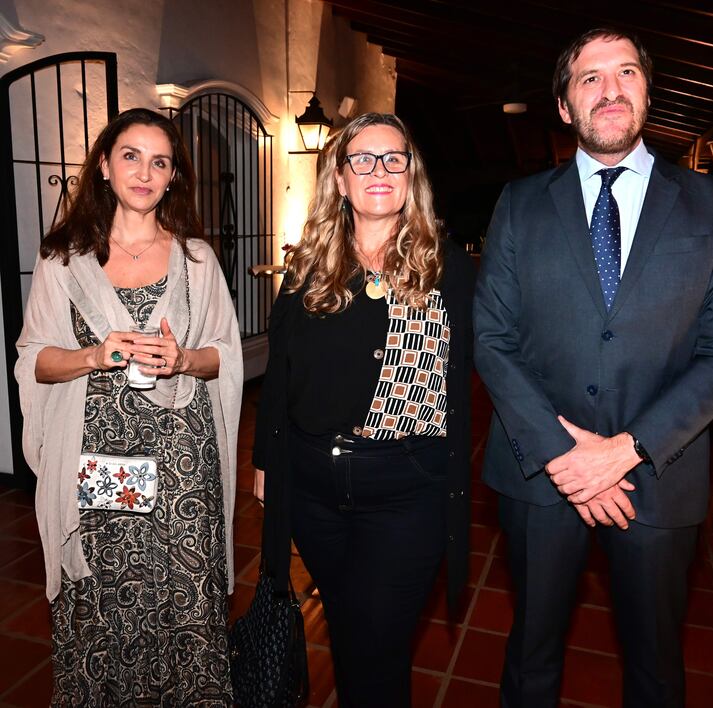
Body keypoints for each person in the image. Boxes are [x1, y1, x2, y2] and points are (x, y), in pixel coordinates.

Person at [474, 28, 713, 708]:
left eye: (626, 73)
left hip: (660, 473)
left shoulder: (711, 207)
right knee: (531, 657)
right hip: (544, 472)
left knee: (656, 669)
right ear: (566, 107)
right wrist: (568, 453)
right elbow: (491, 336)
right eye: (590, 78)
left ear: (647, 92)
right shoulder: (520, 204)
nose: (611, 89)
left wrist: (626, 450)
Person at [15, 108, 243, 705]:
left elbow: (228, 355)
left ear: (172, 178)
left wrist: (183, 359)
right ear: (104, 165)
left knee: (185, 599)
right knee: (110, 602)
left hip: (182, 466)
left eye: (160, 161)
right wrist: (93, 356)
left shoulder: (197, 260)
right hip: (101, 463)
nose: (145, 171)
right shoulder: (63, 260)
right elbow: (34, 358)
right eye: (131, 155)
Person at [252, 112, 474, 707]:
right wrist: (266, 459)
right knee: (354, 639)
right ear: (340, 180)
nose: (380, 170)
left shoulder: (447, 268)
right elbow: (281, 370)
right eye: (363, 159)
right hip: (314, 491)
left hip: (406, 489)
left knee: (375, 644)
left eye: (393, 158)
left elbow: (499, 359)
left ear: (411, 175)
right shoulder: (308, 267)